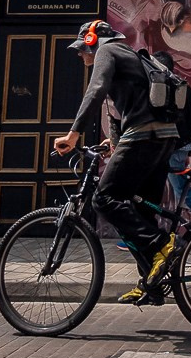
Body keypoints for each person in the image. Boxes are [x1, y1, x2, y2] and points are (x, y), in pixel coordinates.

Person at [52, 20, 180, 304]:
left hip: (145, 137)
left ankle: (163, 244)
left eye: (81, 48)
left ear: (91, 41)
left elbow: (96, 90)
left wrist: (74, 134)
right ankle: (152, 284)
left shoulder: (106, 53)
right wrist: (114, 141)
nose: (79, 55)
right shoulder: (129, 56)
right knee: (138, 209)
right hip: (163, 138)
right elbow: (117, 108)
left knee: (104, 199)